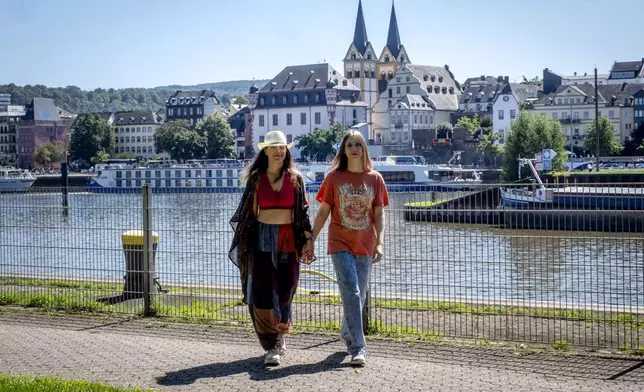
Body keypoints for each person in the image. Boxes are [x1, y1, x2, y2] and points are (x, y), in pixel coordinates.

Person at [228, 130, 315, 366]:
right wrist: (246, 243)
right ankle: (272, 346)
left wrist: (309, 239)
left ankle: (281, 333)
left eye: (282, 147)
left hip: (288, 239)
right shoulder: (256, 179)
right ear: (265, 150)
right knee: (264, 292)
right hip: (263, 239)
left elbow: (303, 214)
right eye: (274, 147)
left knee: (287, 289)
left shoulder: (296, 179)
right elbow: (247, 214)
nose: (279, 151)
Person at [310, 130, 389, 366]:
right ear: (344, 151)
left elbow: (378, 213)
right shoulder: (334, 178)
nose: (354, 148)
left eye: (359, 144)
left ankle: (346, 331)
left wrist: (380, 241)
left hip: (365, 243)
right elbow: (324, 211)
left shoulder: (375, 179)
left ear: (364, 149)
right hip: (339, 242)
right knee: (352, 292)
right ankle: (358, 347)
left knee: (360, 294)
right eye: (350, 145)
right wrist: (311, 238)